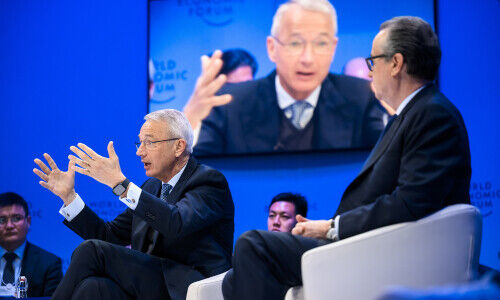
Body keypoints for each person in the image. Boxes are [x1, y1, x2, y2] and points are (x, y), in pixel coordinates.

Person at [222, 16, 471, 299]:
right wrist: (326, 228)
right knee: (234, 278)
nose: (370, 72)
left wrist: (330, 228)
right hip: (367, 246)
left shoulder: (432, 114)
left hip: (388, 255)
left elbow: (409, 204)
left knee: (253, 244)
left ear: (396, 64)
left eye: (373, 62)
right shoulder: (411, 114)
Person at [33, 109, 234, 300]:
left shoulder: (208, 181)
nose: (139, 152)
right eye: (139, 143)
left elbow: (176, 222)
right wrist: (69, 198)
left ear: (179, 147)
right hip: (148, 283)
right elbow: (108, 235)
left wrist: (120, 184)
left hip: (185, 286)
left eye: (149, 142)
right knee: (92, 287)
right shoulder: (151, 187)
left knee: (91, 250)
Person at [193, 0, 386, 155]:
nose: (308, 59)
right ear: (272, 48)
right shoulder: (229, 105)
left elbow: (387, 170)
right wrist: (189, 121)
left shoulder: (361, 97)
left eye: (321, 44)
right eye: (295, 43)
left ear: (333, 48)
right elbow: (196, 183)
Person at [0, 192, 62, 297]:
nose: (9, 226)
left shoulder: (49, 263)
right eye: (2, 220)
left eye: (16, 218)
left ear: (28, 221)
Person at [183, 49, 258, 132]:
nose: (240, 92)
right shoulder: (198, 123)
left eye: (246, 85)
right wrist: (191, 117)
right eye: (231, 86)